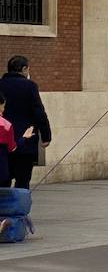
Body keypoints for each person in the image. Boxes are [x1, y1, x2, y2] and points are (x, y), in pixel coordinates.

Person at [0, 56, 51, 189]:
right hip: (25, 143)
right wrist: (46, 136)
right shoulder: (30, 86)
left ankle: (4, 207)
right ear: (24, 69)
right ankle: (18, 207)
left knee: (3, 181)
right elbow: (39, 112)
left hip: (3, 144)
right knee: (22, 181)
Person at [0, 91, 34, 188]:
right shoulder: (5, 125)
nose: (4, 109)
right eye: (3, 106)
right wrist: (24, 138)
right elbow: (12, 148)